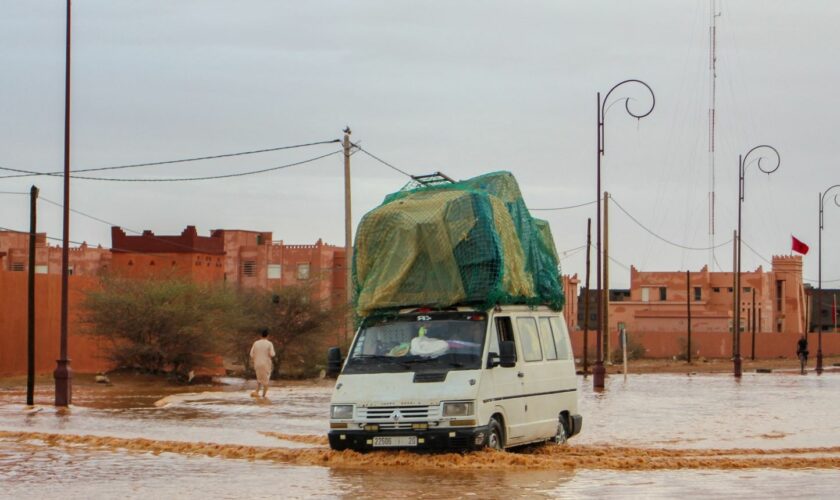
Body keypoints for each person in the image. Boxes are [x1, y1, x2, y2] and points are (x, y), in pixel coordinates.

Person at [250, 329, 276, 398]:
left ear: (260, 335)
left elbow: (251, 354)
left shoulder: (255, 343)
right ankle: (264, 397)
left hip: (257, 364)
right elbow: (272, 354)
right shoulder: (269, 343)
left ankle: (256, 395)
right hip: (266, 364)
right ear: (268, 335)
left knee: (259, 380)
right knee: (266, 382)